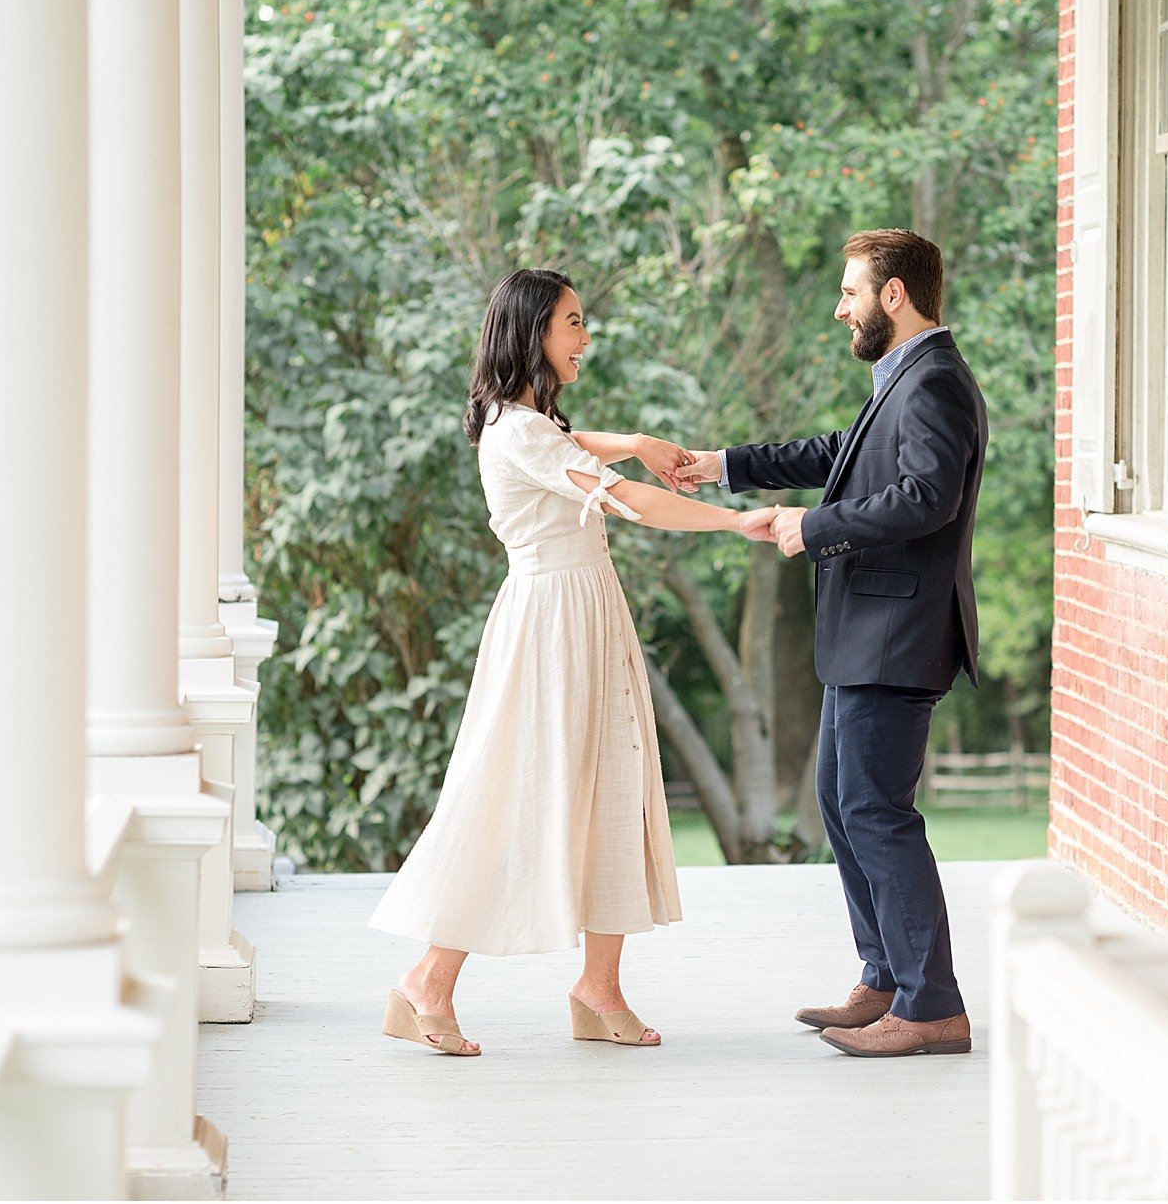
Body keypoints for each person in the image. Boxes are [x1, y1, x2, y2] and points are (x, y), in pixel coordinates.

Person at [367, 267, 774, 1056]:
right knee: (518, 797)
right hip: (550, 627)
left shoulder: (525, 424)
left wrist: (632, 441)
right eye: (573, 323)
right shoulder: (518, 432)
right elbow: (631, 501)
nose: (586, 337)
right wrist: (733, 523)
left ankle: (600, 987)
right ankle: (427, 981)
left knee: (612, 788)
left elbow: (571, 445)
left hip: (585, 614)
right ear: (534, 333)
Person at [673, 228, 988, 1058]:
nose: (838, 307)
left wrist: (813, 527)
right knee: (843, 807)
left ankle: (932, 1007)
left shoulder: (936, 383)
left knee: (876, 813)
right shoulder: (903, 379)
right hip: (866, 635)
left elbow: (927, 499)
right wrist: (722, 464)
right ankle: (884, 977)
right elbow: (841, 456)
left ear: (894, 296)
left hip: (899, 633)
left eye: (851, 291)